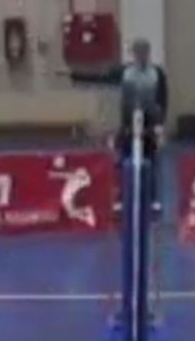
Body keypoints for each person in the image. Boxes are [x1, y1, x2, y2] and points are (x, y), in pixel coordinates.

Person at [69, 38, 168, 211]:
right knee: (125, 161)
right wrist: (75, 75)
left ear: (149, 53)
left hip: (151, 123)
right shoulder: (125, 72)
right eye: (138, 52)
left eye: (145, 52)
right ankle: (123, 197)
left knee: (151, 162)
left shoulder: (157, 73)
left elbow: (163, 99)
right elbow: (101, 77)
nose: (141, 55)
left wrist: (161, 125)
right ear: (134, 54)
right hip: (129, 124)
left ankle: (152, 199)